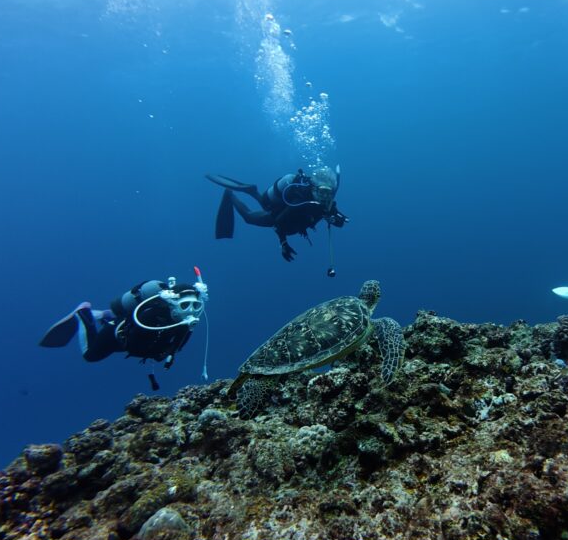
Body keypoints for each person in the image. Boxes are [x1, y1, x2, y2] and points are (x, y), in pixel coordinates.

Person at [39, 270, 208, 390]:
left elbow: (178, 343)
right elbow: (136, 344)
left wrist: (169, 352)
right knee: (90, 355)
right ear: (173, 303)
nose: (191, 311)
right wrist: (159, 353)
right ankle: (83, 314)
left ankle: (105, 314)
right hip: (116, 336)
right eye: (185, 305)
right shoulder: (150, 316)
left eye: (195, 305)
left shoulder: (183, 321)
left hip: (131, 334)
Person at [206, 166, 348, 262]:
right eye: (322, 192)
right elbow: (278, 222)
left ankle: (252, 191)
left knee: (265, 204)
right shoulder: (299, 201)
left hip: (287, 214)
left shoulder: (326, 202)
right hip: (280, 215)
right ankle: (230, 194)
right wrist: (283, 243)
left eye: (329, 193)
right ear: (314, 188)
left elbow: (337, 219)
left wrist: (337, 219)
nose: (325, 197)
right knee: (249, 217)